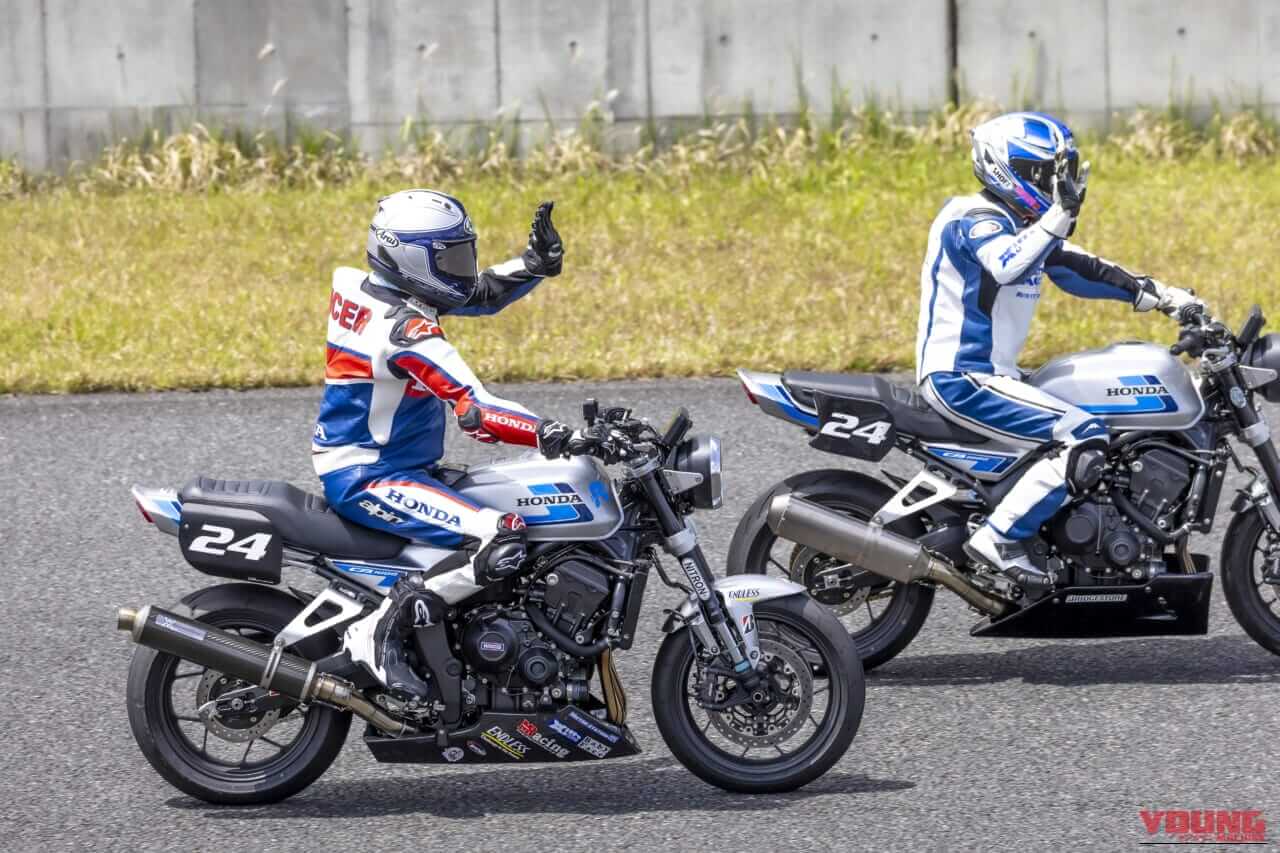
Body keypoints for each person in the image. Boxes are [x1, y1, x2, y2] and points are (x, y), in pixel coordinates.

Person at [313, 189, 598, 703]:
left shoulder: (374, 290)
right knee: (501, 536)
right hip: (370, 477)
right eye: (449, 258)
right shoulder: (405, 332)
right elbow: (477, 408)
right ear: (409, 258)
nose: (463, 269)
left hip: (395, 462)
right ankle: (377, 633)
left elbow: (478, 293)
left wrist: (532, 265)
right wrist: (553, 433)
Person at [914, 112, 1201, 590]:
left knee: (1090, 419)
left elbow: (1079, 267)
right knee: (1082, 434)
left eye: (1057, 176)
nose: (1053, 184)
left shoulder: (1023, 226)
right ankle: (1000, 540)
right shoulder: (973, 217)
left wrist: (1167, 297)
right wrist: (1057, 216)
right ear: (1010, 170)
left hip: (994, 375)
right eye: (1043, 175)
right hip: (960, 378)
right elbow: (1006, 264)